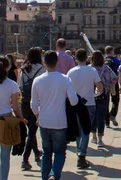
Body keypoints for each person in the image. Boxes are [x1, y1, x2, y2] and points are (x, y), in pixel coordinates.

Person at [31, 51, 79, 180]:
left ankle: (45, 177)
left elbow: (33, 105)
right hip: (60, 121)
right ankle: (54, 174)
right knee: (59, 152)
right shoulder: (65, 79)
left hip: (44, 121)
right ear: (57, 62)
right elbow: (74, 101)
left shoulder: (37, 80)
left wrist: (37, 116)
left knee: (46, 153)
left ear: (44, 63)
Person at [68, 49, 103, 169]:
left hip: (75, 103)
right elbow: (100, 87)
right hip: (89, 102)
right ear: (87, 58)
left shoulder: (71, 72)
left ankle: (79, 151)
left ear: (75, 59)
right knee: (86, 129)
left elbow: (67, 89)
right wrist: (95, 95)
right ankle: (82, 154)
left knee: (78, 129)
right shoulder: (92, 70)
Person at [19, 48, 45, 170]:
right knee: (32, 131)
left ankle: (36, 154)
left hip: (25, 103)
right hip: (37, 102)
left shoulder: (23, 70)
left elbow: (20, 86)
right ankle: (25, 159)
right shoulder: (41, 69)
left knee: (31, 130)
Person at [91, 50, 117, 146]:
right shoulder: (106, 68)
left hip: (91, 95)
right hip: (103, 95)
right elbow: (114, 78)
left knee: (93, 116)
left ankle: (93, 136)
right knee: (101, 117)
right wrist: (111, 88)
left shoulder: (90, 68)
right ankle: (100, 139)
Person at [104, 45, 121, 127]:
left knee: (106, 102)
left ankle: (106, 122)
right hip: (114, 83)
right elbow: (119, 72)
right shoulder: (116, 60)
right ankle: (112, 114)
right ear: (112, 52)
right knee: (115, 100)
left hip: (105, 84)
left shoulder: (103, 60)